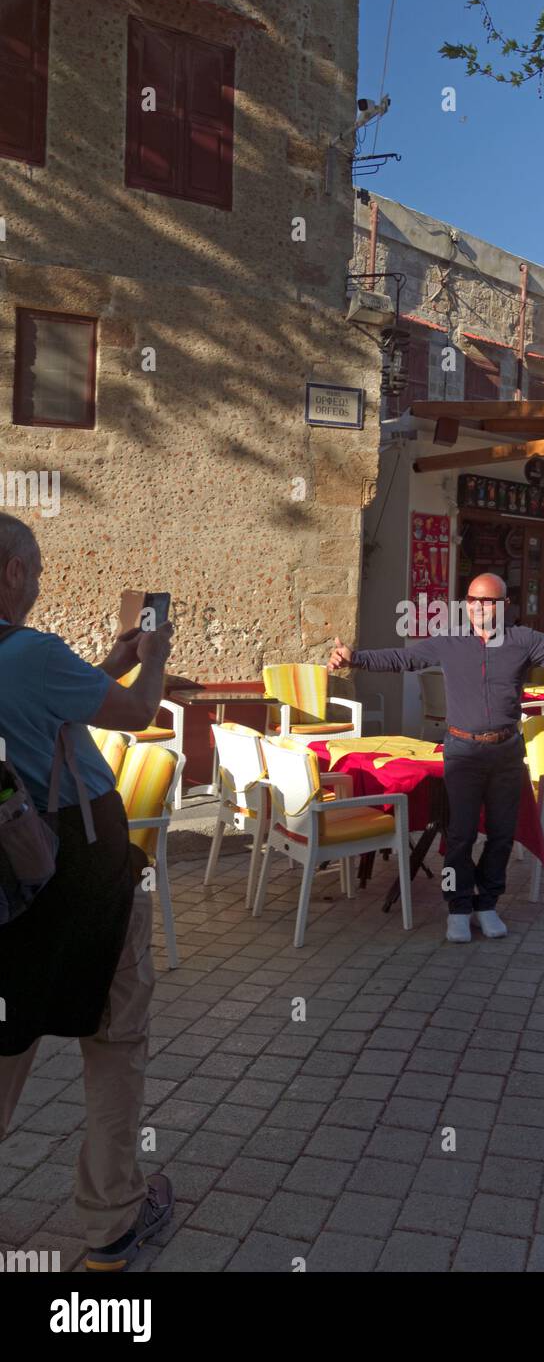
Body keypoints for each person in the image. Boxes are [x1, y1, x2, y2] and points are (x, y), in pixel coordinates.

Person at [0, 513, 176, 1271]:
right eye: (35, 566)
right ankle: (109, 1227)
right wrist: (157, 656)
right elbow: (135, 715)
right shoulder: (31, 652)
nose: (39, 579)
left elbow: (70, 700)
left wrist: (111, 657)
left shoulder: (34, 662)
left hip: (6, 886)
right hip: (81, 882)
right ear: (11, 571)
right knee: (115, 1043)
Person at [329, 572, 544, 943]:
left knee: (501, 834)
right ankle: (458, 907)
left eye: (489, 601)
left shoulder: (522, 641)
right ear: (466, 604)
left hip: (507, 751)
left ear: (504, 606)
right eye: (474, 600)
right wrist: (356, 658)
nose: (480, 608)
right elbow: (403, 657)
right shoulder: (449, 644)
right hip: (462, 751)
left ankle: (487, 903)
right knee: (460, 836)